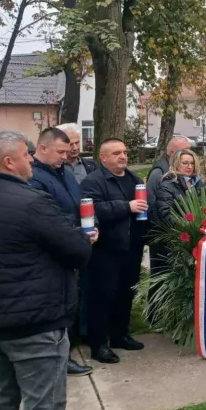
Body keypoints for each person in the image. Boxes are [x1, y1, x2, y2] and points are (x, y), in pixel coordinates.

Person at [0, 131, 92, 410]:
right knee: (43, 407)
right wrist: (84, 238)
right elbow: (77, 251)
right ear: (8, 161)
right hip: (34, 324)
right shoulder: (31, 201)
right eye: (25, 154)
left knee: (2, 401)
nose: (31, 159)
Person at [26, 127, 95, 377]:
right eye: (61, 151)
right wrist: (75, 232)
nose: (66, 156)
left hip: (72, 243)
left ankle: (64, 352)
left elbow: (78, 203)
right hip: (51, 252)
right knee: (56, 307)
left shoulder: (62, 172)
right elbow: (49, 216)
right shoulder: (34, 177)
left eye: (68, 151)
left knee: (69, 302)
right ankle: (58, 359)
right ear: (42, 148)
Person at [80, 139, 149, 364]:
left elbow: (144, 207)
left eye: (125, 152)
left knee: (125, 294)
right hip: (105, 249)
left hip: (131, 248)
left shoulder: (134, 179)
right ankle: (98, 344)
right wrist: (126, 206)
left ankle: (120, 335)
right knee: (102, 297)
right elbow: (93, 208)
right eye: (116, 153)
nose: (123, 156)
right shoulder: (94, 181)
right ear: (103, 158)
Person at [145, 135, 197, 289]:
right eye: (185, 151)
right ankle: (156, 313)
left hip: (181, 237)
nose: (189, 154)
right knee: (162, 283)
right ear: (173, 153)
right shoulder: (160, 174)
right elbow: (153, 205)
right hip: (165, 238)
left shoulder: (192, 180)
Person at [155, 148, 203, 223]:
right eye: (185, 163)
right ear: (176, 164)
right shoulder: (167, 185)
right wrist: (188, 226)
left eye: (192, 163)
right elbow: (166, 213)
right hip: (180, 231)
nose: (189, 166)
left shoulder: (198, 182)